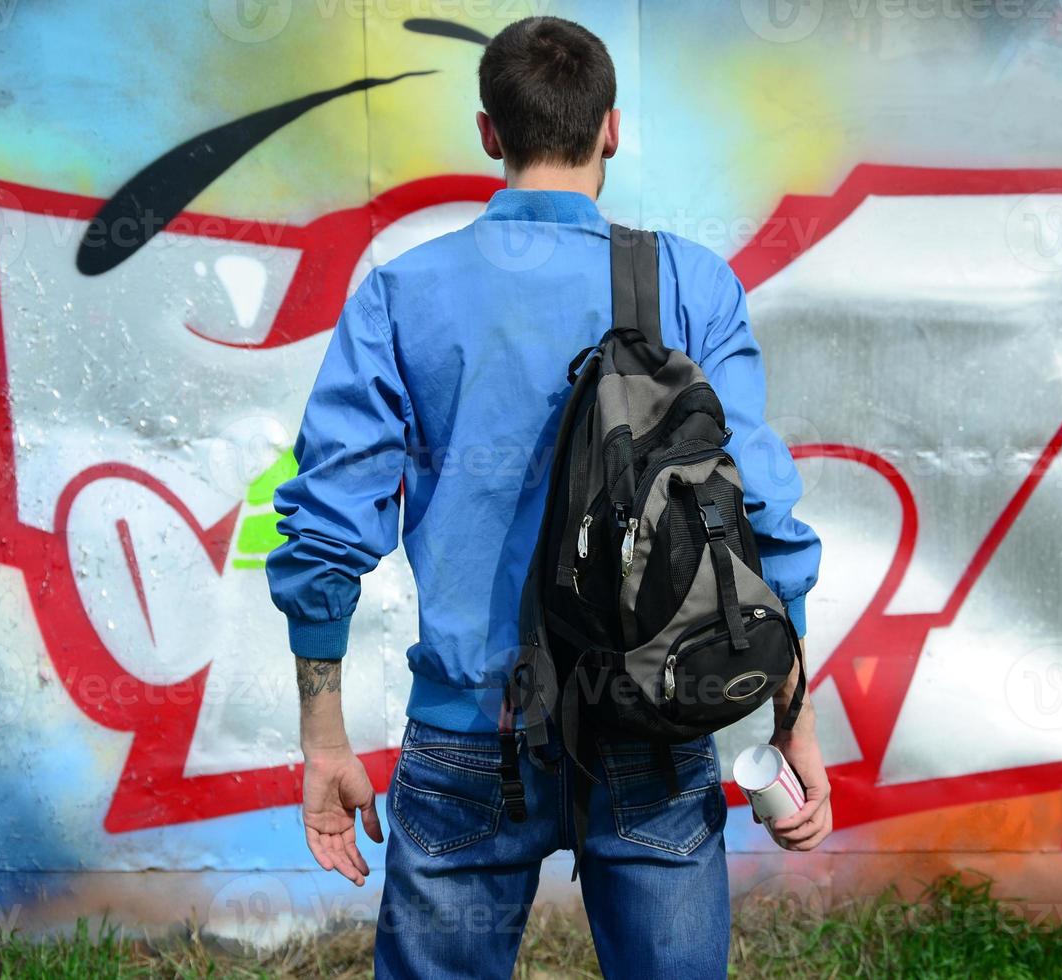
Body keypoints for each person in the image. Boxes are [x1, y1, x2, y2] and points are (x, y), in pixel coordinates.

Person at [266, 15, 829, 978]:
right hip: (654, 712)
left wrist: (322, 738)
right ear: (612, 128)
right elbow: (760, 515)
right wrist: (793, 720)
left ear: (490, 133)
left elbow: (326, 535)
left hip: (466, 730)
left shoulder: (403, 294)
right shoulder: (691, 285)